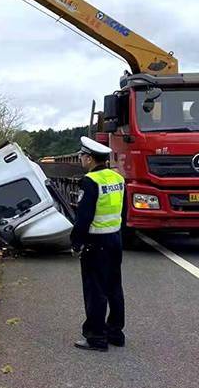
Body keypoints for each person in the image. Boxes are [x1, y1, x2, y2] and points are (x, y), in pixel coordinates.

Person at [70, 136, 126, 352]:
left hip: (96, 242)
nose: (81, 159)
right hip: (115, 238)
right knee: (114, 287)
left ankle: (96, 337)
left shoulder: (90, 181)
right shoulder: (117, 178)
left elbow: (84, 217)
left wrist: (76, 242)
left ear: (90, 158)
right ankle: (115, 333)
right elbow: (123, 211)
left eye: (82, 156)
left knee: (95, 290)